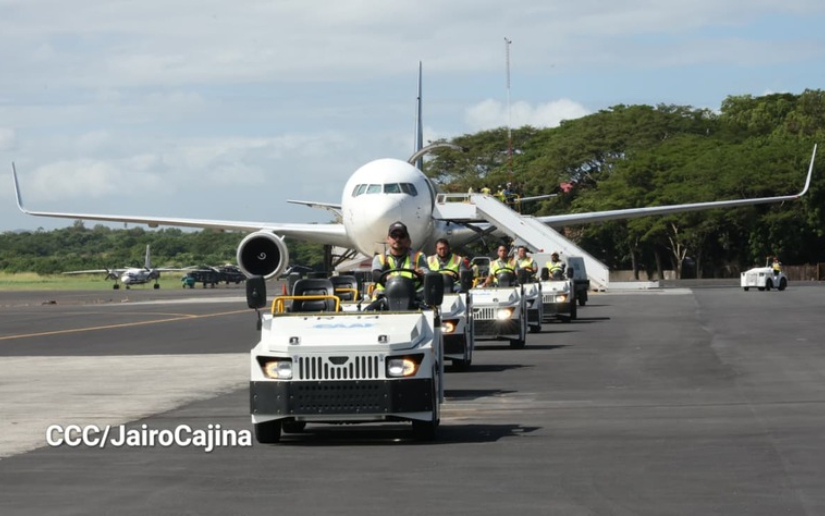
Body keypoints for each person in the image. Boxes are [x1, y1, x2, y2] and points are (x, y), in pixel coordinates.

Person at [371, 221, 429, 299]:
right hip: (384, 297)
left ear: (407, 239)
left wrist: (422, 275)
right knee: (370, 307)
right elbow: (375, 274)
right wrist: (387, 277)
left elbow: (427, 275)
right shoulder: (379, 258)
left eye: (401, 236)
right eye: (394, 236)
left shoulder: (419, 256)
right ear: (388, 239)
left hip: (413, 298)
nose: (397, 239)